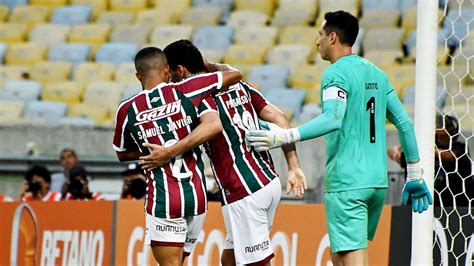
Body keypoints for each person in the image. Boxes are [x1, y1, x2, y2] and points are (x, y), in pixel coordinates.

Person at [245, 11, 432, 266]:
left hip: (348, 181)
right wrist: (414, 173)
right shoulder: (376, 73)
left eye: (320, 35)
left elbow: (333, 118)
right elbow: (404, 123)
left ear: (332, 37)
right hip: (376, 181)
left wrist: (284, 136)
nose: (317, 41)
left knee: (351, 256)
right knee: (342, 255)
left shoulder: (335, 74)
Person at [138, 40, 307, 266]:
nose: (168, 81)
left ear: (180, 70)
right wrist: (294, 166)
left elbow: (210, 127)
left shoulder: (199, 98)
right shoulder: (241, 86)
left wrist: (169, 151)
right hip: (268, 181)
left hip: (243, 189)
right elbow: (281, 118)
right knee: (230, 259)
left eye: (170, 73)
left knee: (256, 263)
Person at [112, 46, 242, 265]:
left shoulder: (127, 109)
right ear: (166, 71)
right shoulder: (188, 89)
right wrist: (208, 65)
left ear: (138, 76)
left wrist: (156, 151)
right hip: (196, 197)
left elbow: (122, 154)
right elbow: (235, 75)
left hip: (164, 199)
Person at [388, 114, 472, 207]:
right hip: (420, 204)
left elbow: (450, 156)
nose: (440, 133)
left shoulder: (460, 148)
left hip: (452, 205)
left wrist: (425, 149)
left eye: (444, 130)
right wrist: (399, 152)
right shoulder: (423, 148)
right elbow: (392, 152)